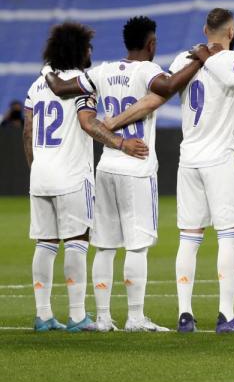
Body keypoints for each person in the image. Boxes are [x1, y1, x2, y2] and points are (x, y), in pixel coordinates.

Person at [114, 7, 234, 334]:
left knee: (189, 239)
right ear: (231, 31)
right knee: (229, 238)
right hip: (222, 158)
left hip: (189, 158)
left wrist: (113, 123)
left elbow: (155, 99)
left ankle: (185, 314)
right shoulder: (227, 60)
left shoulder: (182, 61)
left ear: (206, 29)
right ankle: (226, 316)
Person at [44, 15, 201, 332]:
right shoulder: (147, 70)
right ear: (151, 43)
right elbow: (169, 86)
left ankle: (102, 318)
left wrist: (48, 71)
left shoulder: (100, 71)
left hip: (107, 165)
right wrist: (198, 60)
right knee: (136, 245)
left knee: (104, 245)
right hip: (137, 165)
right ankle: (135, 317)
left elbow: (62, 88)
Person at [24, 22, 148, 332]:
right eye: (87, 47)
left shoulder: (36, 86)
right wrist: (120, 143)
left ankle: (43, 315)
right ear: (78, 50)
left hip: (40, 175)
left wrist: (35, 167)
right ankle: (77, 315)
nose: (91, 52)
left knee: (45, 244)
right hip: (71, 176)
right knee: (77, 242)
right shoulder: (81, 83)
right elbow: (88, 123)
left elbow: (27, 130)